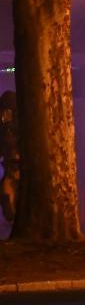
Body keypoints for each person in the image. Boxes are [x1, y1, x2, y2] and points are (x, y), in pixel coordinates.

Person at [0, 91, 18, 225]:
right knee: (6, 189)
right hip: (10, 163)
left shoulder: (16, 125)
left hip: (16, 162)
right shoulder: (6, 126)